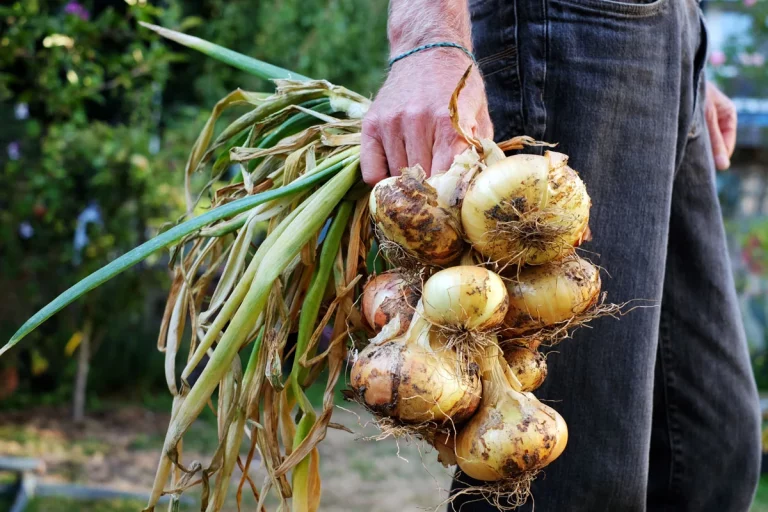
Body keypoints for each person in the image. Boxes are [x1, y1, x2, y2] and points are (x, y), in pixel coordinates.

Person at [360, 1, 761, 511]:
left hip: (664, 37)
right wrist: (427, 33)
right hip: (570, 24)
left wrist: (684, 59)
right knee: (575, 484)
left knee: (710, 454)